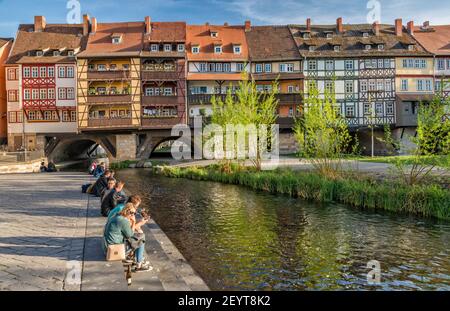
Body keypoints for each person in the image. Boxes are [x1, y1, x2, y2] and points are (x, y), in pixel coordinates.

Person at [103, 203, 151, 272]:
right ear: (127, 211)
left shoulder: (117, 216)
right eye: (132, 213)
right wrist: (134, 221)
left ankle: (134, 258)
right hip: (114, 250)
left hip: (107, 246)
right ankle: (139, 265)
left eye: (134, 213)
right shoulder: (122, 220)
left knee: (136, 237)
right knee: (141, 237)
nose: (133, 215)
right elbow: (130, 234)